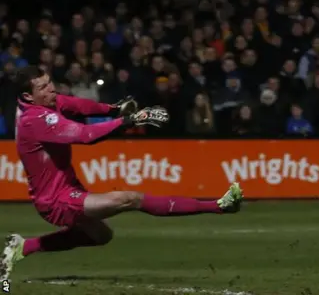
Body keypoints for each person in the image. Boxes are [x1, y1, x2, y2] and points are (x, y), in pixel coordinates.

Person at [0, 66, 244, 281]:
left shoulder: (42, 102)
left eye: (50, 81)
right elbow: (86, 135)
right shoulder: (35, 119)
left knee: (102, 235)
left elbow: (74, 104)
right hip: (55, 200)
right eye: (43, 87)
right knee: (130, 198)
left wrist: (112, 109)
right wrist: (129, 120)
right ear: (27, 96)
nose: (52, 89)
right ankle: (219, 205)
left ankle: (24, 247)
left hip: (67, 188)